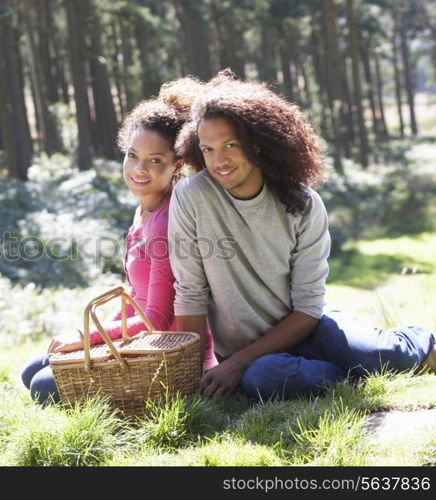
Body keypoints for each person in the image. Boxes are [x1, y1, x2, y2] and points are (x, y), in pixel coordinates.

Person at [169, 69, 436, 401]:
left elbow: (309, 309)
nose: (219, 160)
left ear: (256, 143)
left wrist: (236, 364)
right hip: (254, 357)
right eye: (208, 149)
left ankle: (418, 342)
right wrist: (190, 379)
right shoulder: (191, 196)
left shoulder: (303, 203)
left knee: (383, 357)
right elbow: (190, 293)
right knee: (264, 379)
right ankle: (348, 374)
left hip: (311, 327)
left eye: (230, 145)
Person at [22, 78, 218, 404]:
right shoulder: (144, 212)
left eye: (155, 160)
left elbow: (154, 318)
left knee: (42, 386)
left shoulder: (167, 222)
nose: (139, 169)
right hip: (140, 341)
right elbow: (134, 298)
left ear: (177, 165)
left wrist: (88, 338)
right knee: (33, 370)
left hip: (163, 357)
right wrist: (90, 337)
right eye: (132, 155)